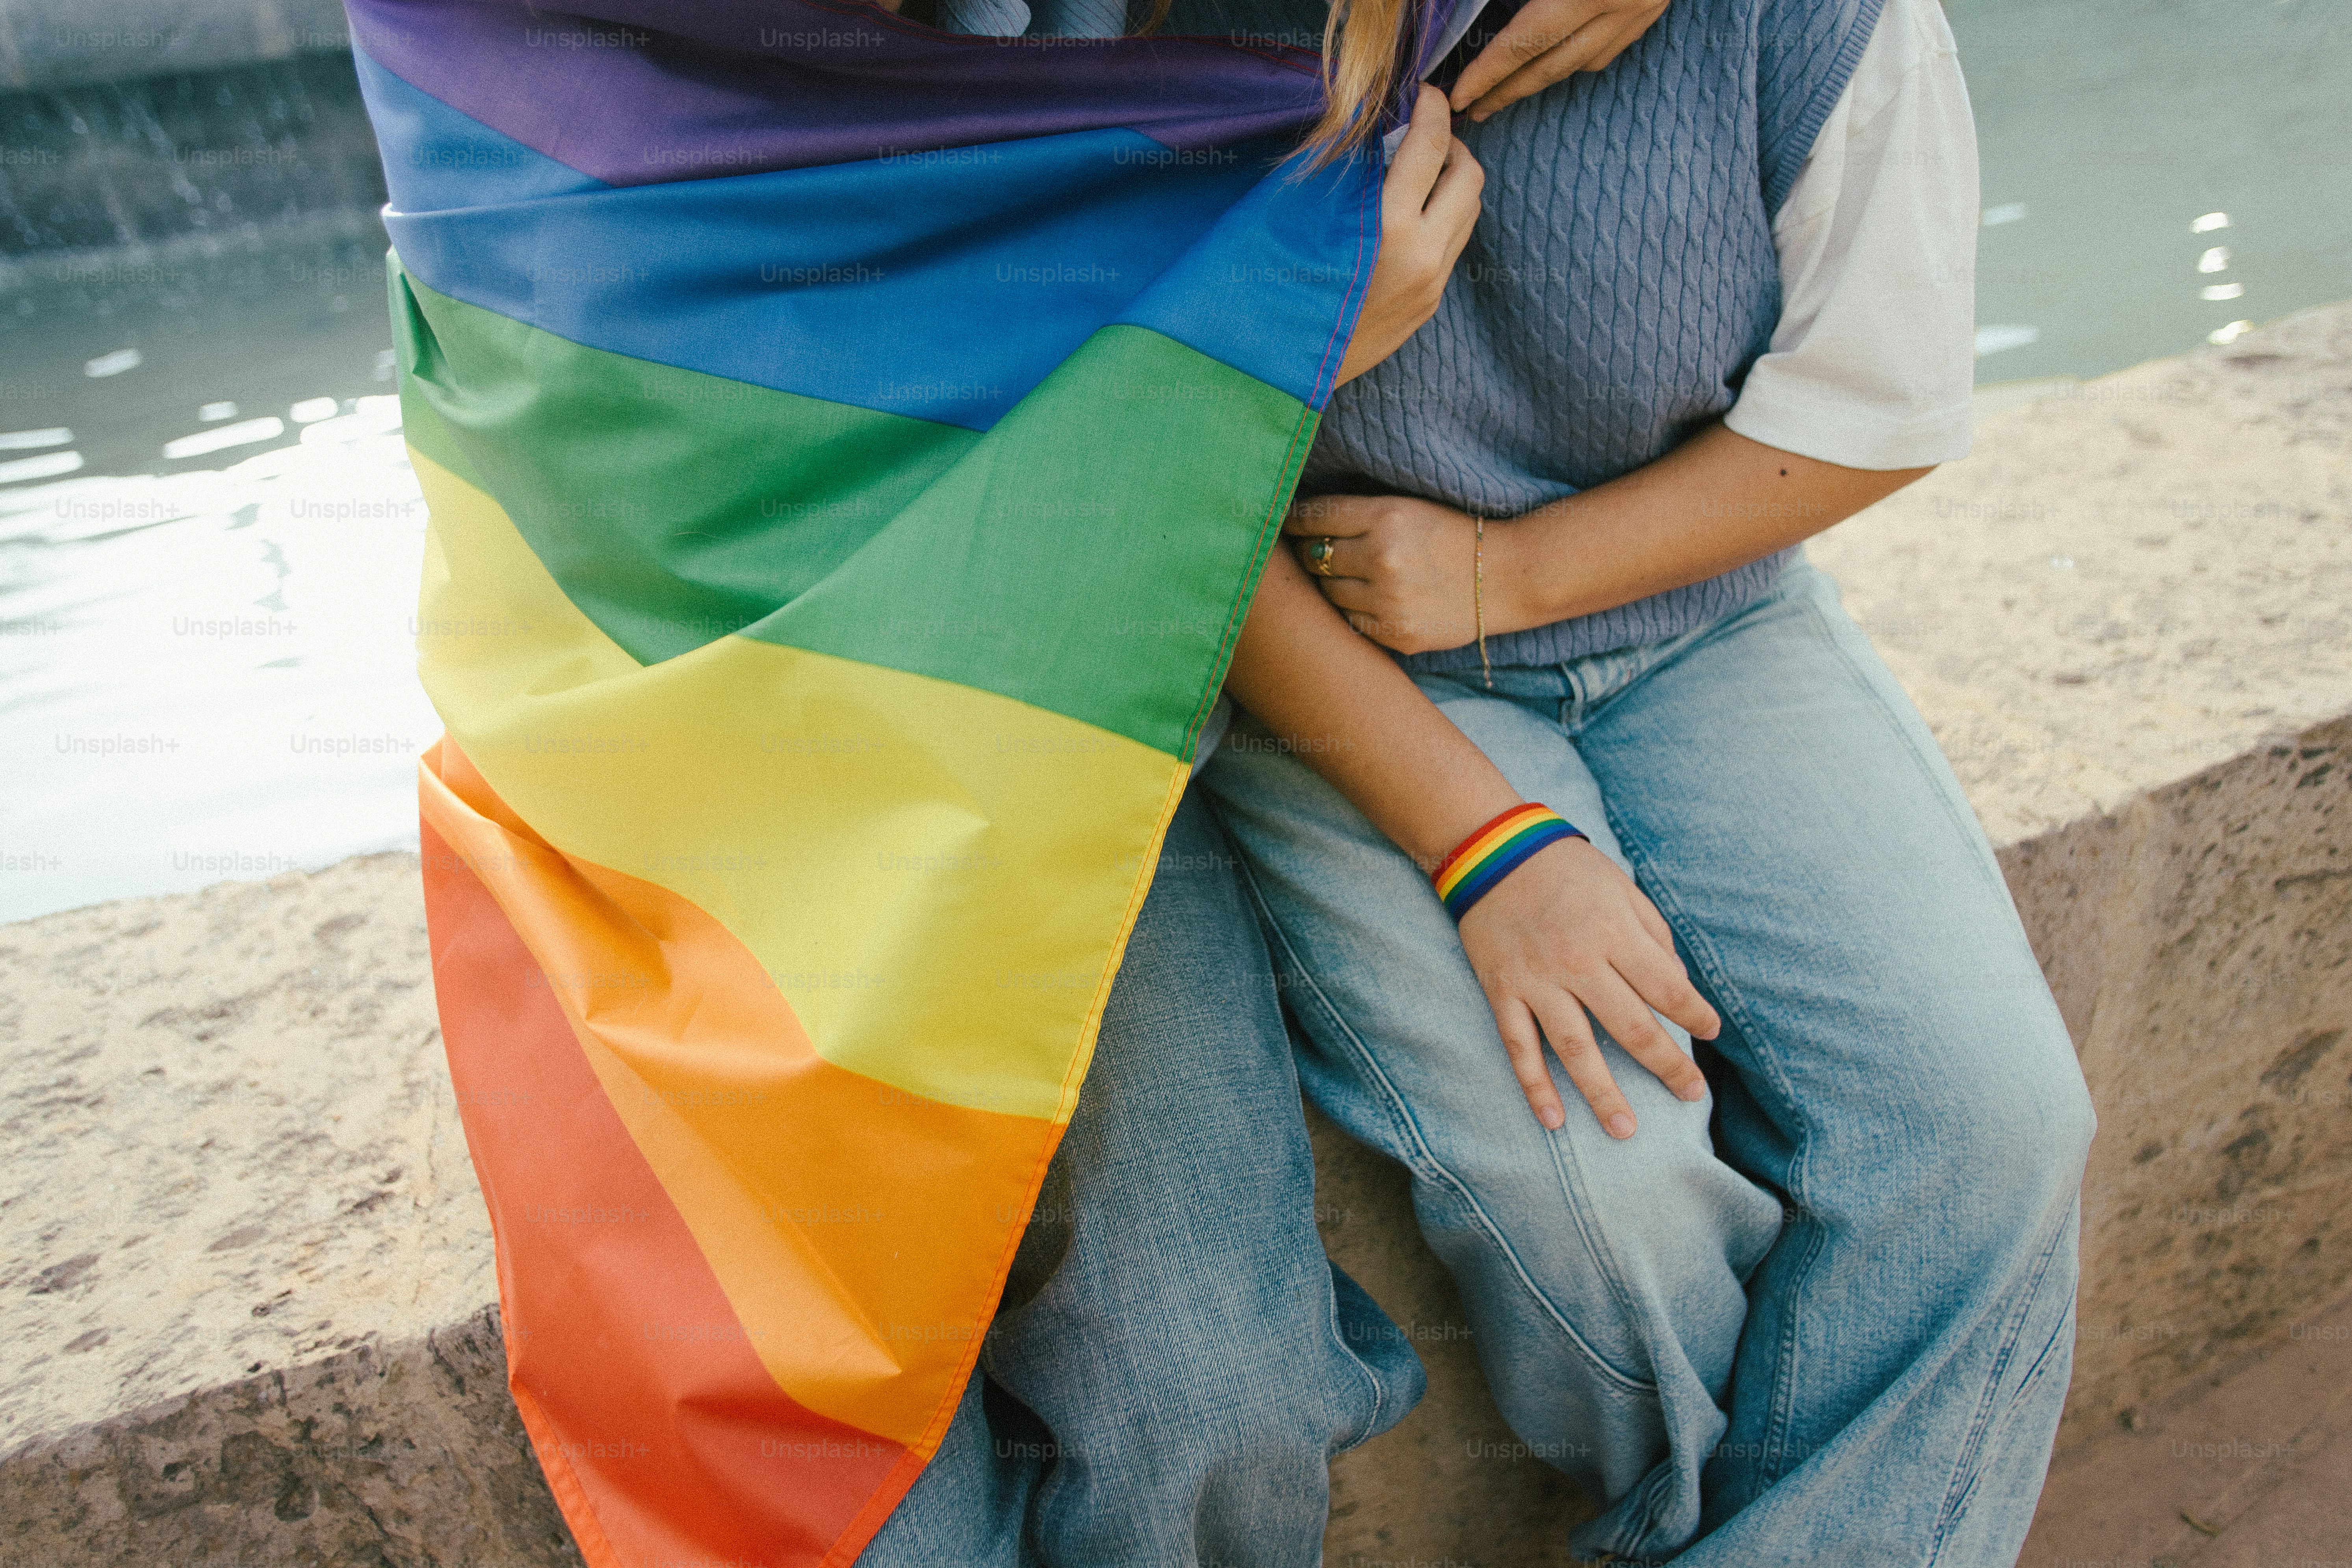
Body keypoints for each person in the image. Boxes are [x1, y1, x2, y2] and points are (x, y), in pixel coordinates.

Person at [1203, 0, 2099, 1560]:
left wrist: (1512, 571)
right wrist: (1491, 853)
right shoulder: (1145, 37)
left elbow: (1875, 403)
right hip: (1323, 654)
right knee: (1603, 1212)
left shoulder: (1810, 23)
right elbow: (1145, 486)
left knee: (1991, 1131)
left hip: (1704, 618)